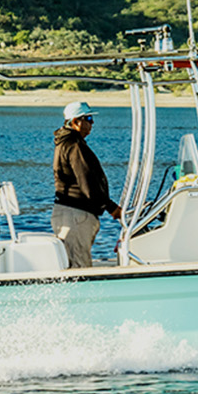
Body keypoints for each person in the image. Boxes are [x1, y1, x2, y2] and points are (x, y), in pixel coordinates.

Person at [52, 100, 120, 268]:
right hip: (77, 215)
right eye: (88, 119)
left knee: (72, 264)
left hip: (69, 213)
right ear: (75, 122)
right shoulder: (74, 146)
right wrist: (112, 208)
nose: (92, 123)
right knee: (79, 268)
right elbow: (88, 184)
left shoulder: (65, 142)